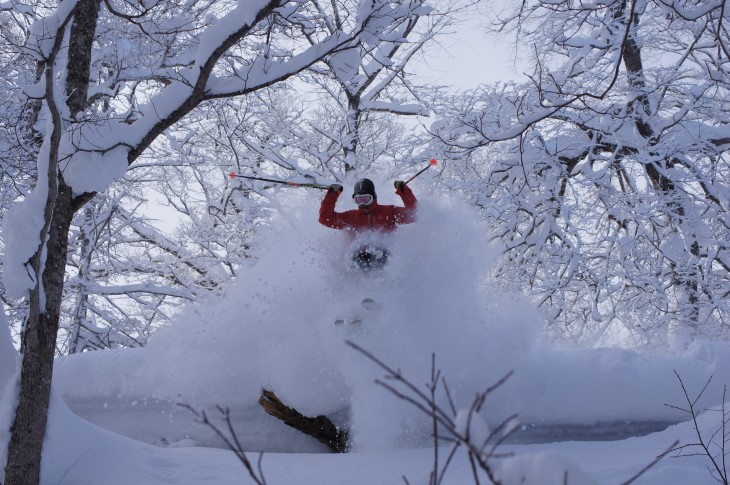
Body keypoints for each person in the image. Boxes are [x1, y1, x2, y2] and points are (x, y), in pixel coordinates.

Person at [319, 178, 417, 270]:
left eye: (365, 199)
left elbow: (414, 214)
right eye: (358, 200)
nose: (362, 203)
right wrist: (332, 194)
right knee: (359, 258)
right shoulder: (350, 217)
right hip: (359, 261)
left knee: (381, 255)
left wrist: (404, 191)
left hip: (386, 259)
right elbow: (326, 219)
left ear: (373, 197)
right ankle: (353, 284)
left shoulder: (389, 212)